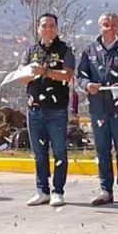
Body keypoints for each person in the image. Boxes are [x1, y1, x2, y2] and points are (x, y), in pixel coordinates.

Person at [77, 13, 118, 206]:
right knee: (102, 150)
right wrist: (88, 85)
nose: (110, 28)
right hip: (98, 108)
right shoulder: (90, 50)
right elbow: (81, 76)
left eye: (113, 24)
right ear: (99, 26)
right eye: (106, 24)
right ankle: (105, 190)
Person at [19, 14, 77, 207]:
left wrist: (45, 72)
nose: (48, 29)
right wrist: (31, 72)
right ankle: (42, 190)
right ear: (38, 29)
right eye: (44, 26)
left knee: (59, 152)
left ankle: (58, 191)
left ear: (57, 28)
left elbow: (67, 75)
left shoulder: (65, 50)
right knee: (39, 153)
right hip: (34, 110)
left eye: (52, 26)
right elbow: (21, 76)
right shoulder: (31, 51)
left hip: (57, 110)